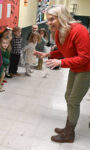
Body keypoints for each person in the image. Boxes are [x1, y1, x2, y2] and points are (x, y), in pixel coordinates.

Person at [34, 5, 90, 143]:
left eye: (52, 19)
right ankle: (67, 128)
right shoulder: (59, 31)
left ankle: (69, 134)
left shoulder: (79, 30)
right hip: (76, 68)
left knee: (73, 100)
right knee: (68, 97)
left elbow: (85, 57)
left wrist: (61, 63)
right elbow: (64, 50)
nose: (49, 23)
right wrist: (49, 54)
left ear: (62, 17)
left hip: (86, 69)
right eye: (47, 20)